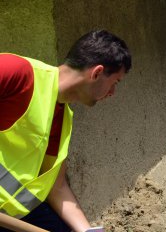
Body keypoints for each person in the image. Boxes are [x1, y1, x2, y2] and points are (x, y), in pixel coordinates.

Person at [0, 30, 131, 232]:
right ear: (96, 73)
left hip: (19, 216)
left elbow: (57, 187)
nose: (113, 93)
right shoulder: (17, 72)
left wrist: (86, 230)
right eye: (115, 82)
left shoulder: (62, 118)